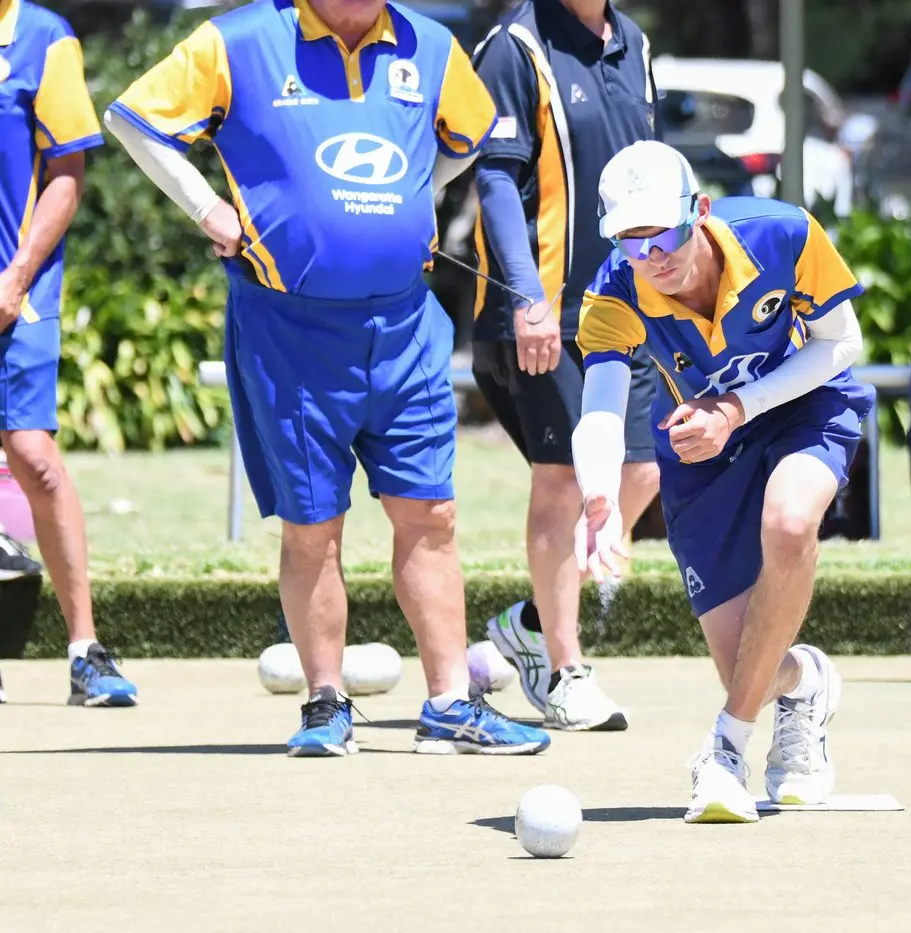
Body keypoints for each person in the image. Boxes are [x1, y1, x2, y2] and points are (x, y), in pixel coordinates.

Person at [107, 0, 550, 756]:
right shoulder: (241, 38)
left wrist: (421, 189)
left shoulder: (430, 46)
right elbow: (130, 120)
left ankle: (449, 701)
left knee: (431, 514)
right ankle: (324, 703)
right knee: (314, 527)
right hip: (290, 330)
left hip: (404, 325)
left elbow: (466, 142)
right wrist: (207, 207)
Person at [572, 140, 871, 823]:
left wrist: (736, 408)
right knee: (750, 667)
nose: (653, 257)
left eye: (666, 234)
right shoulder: (613, 290)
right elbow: (600, 408)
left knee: (789, 523)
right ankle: (806, 683)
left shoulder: (782, 231)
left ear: (698, 211)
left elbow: (840, 343)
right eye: (630, 242)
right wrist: (599, 497)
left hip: (806, 403)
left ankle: (724, 749)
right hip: (700, 448)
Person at [469, 0, 661, 732]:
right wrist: (527, 299)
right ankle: (562, 667)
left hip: (624, 305)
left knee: (642, 470)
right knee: (565, 480)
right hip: (537, 313)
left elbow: (650, 170)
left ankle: (528, 622)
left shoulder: (634, 42)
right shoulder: (515, 47)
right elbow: (494, 181)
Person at [0, 0, 138, 706]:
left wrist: (16, 273)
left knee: (34, 457)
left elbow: (66, 171)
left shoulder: (42, 38)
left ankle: (86, 649)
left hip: (14, 290)